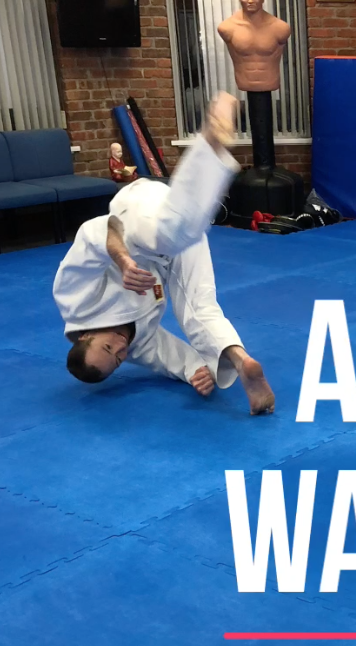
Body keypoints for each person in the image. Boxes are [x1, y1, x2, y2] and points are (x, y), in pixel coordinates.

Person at [53, 93, 275, 415]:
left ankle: (210, 141)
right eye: (118, 358)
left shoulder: (73, 299)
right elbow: (165, 356)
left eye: (108, 346)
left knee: (169, 236)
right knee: (200, 308)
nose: (121, 347)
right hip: (173, 248)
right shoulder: (135, 346)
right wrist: (195, 371)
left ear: (85, 334)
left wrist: (123, 260)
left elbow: (94, 231)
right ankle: (242, 361)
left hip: (133, 217)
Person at [218, 0, 291, 93]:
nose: (250, 1)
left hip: (270, 81)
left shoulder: (281, 28)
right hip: (244, 81)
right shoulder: (227, 28)